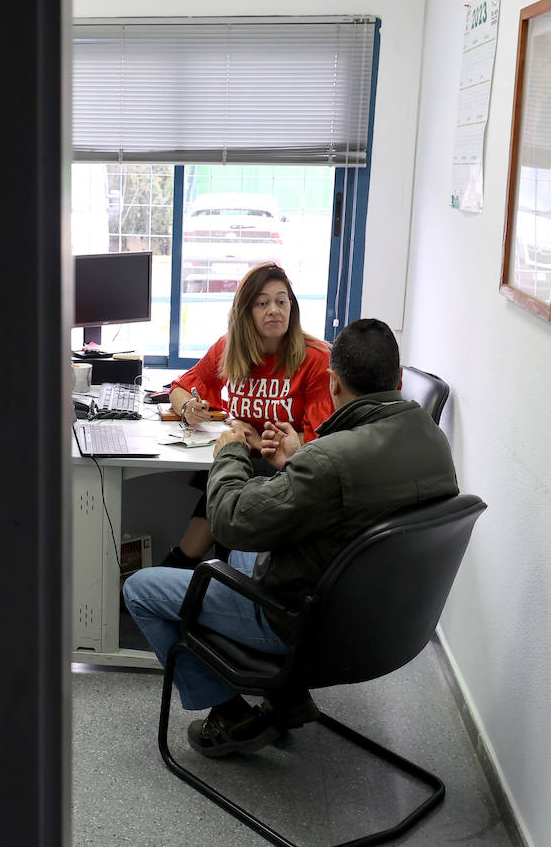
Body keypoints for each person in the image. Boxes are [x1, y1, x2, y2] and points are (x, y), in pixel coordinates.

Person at [122, 318, 458, 757]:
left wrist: (230, 455)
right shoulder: (433, 441)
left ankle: (231, 713)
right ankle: (285, 699)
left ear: (333, 382)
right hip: (386, 623)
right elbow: (353, 500)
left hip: (300, 624)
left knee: (141, 589)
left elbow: (228, 520)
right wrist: (297, 463)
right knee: (253, 536)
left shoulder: (332, 458)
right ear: (397, 379)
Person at [162, 261, 333, 569]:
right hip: (238, 459)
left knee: (228, 483)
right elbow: (179, 387)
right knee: (223, 476)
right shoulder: (229, 348)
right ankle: (188, 566)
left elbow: (323, 443)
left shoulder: (315, 359)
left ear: (292, 308)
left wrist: (261, 439)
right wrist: (188, 408)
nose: (274, 310)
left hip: (287, 472)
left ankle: (183, 564)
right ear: (246, 312)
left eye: (282, 301)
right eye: (262, 303)